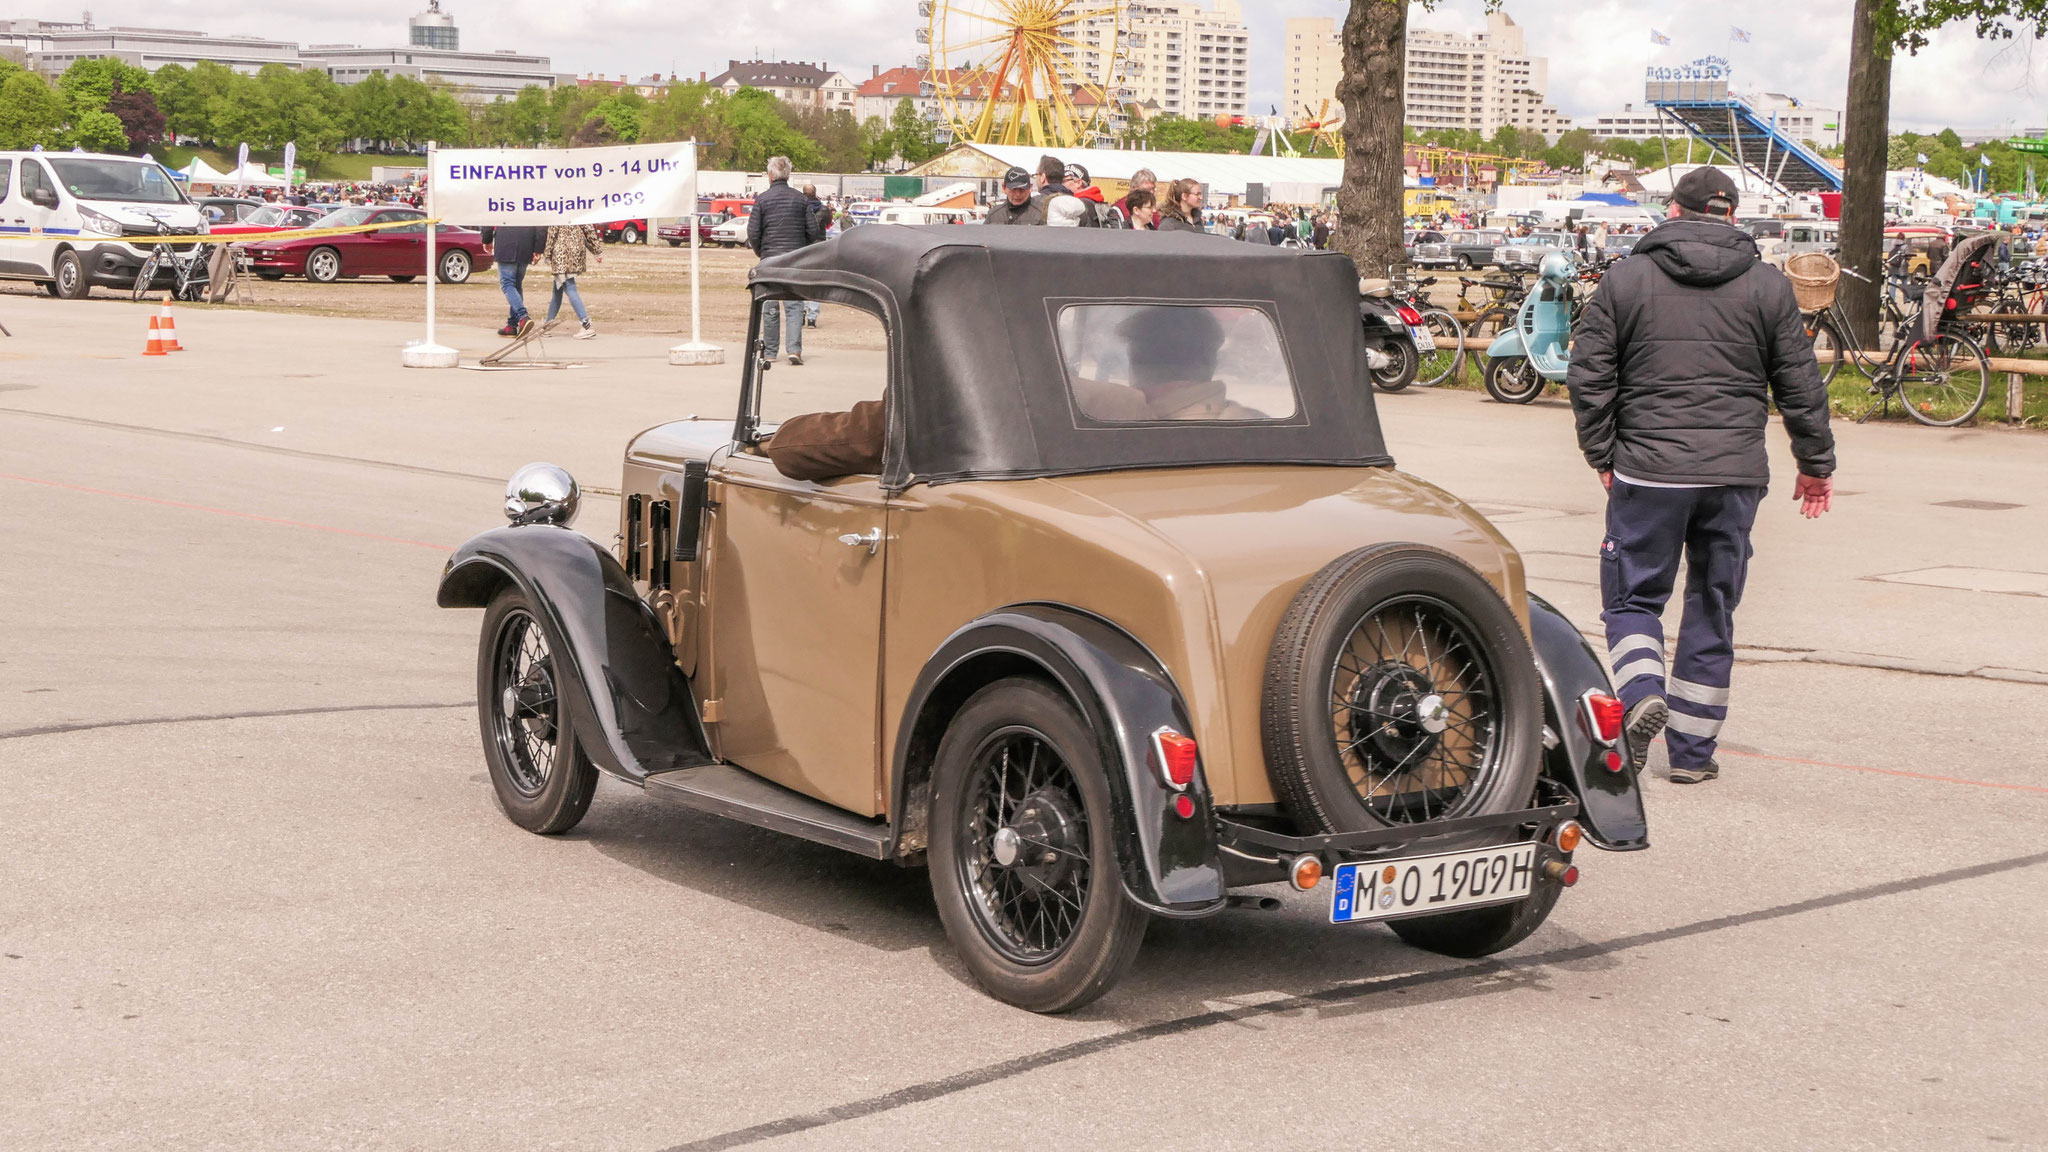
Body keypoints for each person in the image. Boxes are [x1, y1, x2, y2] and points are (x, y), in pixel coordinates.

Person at [1565, 165, 1836, 786]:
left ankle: (1639, 697)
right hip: (1735, 474)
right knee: (1713, 601)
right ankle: (1691, 754)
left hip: (1651, 470)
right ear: (1733, 217)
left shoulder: (1626, 279)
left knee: (1634, 596)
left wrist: (1603, 454)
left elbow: (1590, 376)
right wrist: (1815, 464)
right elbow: (1800, 385)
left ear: (1675, 212)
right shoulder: (1769, 286)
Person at [748, 156, 825, 365]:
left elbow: (753, 232)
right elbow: (812, 230)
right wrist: (802, 251)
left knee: (770, 305)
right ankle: (794, 350)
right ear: (788, 175)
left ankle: (771, 351)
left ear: (770, 175)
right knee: (794, 306)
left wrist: (761, 252)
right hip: (794, 260)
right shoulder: (801, 199)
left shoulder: (762, 199)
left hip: (770, 260)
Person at [541, 222, 603, 338]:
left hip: (561, 252)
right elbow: (589, 230)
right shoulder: (577, 207)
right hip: (576, 251)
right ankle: (547, 325)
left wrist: (547, 253)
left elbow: (552, 232)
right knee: (558, 288)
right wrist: (596, 250)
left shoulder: (558, 208)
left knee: (569, 286)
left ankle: (586, 324)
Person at [491, 225, 548, 337]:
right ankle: (512, 325)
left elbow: (489, 214)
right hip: (526, 244)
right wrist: (538, 248)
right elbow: (541, 225)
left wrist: (487, 239)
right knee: (516, 285)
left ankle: (523, 317)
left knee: (507, 284)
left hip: (505, 242)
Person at [802, 184, 829, 327]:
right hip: (819, 247)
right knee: (816, 283)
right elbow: (829, 223)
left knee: (801, 282)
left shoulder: (799, 207)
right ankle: (812, 318)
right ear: (815, 193)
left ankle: (800, 312)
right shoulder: (824, 209)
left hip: (803, 247)